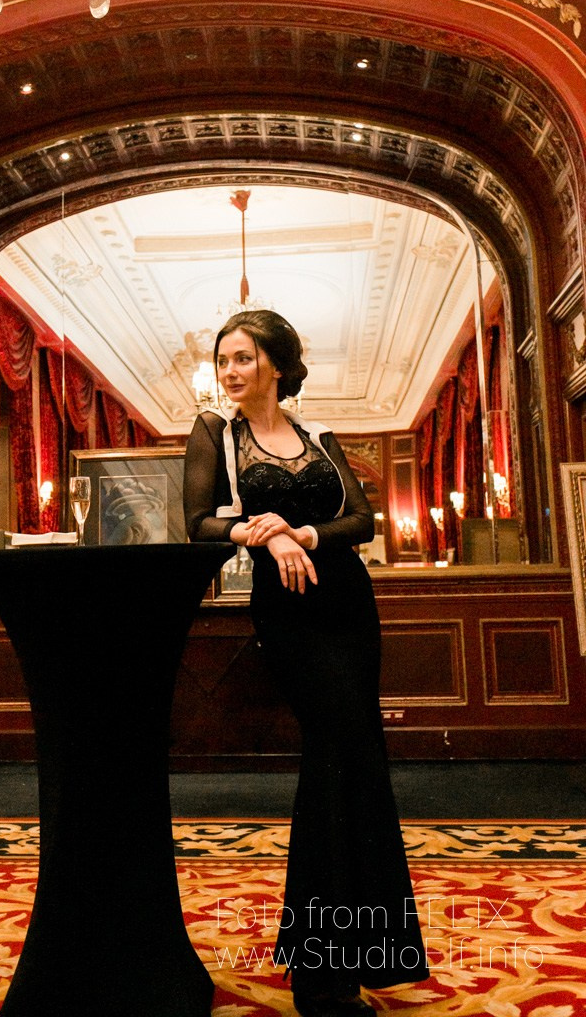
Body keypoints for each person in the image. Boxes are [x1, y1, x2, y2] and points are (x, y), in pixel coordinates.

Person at [183, 310, 429, 1017]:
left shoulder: (319, 435)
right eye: (223, 359)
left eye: (242, 358)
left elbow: (362, 521)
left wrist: (301, 531)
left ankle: (348, 963)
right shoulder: (215, 432)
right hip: (289, 613)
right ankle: (325, 971)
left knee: (356, 762)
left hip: (349, 606)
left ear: (277, 364)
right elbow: (197, 523)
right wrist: (264, 535)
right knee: (333, 757)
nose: (229, 371)